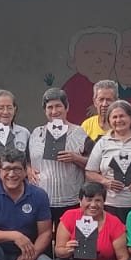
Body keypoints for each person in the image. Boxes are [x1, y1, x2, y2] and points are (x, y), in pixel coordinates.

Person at [85, 99, 131, 219]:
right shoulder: (103, 142)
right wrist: (106, 182)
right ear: (109, 121)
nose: (118, 120)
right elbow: (90, 171)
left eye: (122, 116)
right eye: (114, 117)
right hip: (110, 205)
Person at [28, 87, 93, 226]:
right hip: (41, 199)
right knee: (42, 237)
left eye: (58, 106)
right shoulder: (36, 133)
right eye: (50, 107)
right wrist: (28, 170)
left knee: (67, 239)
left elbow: (95, 164)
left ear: (67, 107)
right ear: (45, 110)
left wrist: (75, 158)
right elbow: (26, 160)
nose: (54, 111)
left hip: (71, 201)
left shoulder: (79, 133)